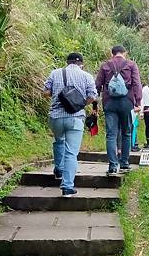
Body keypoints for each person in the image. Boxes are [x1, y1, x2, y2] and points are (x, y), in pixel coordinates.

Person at [43, 53, 97, 196]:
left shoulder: (55, 73)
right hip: (75, 118)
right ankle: (67, 187)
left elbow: (46, 92)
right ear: (82, 64)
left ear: (67, 62)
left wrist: (57, 95)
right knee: (71, 152)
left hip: (55, 117)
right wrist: (79, 104)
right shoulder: (86, 76)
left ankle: (59, 169)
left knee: (59, 140)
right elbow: (92, 96)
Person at [95, 45, 142, 175]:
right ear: (124, 53)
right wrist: (138, 102)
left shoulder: (105, 65)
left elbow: (97, 86)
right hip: (126, 102)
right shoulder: (131, 65)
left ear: (112, 54)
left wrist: (95, 105)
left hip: (109, 103)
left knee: (111, 134)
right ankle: (124, 164)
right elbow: (137, 83)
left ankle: (112, 166)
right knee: (126, 133)